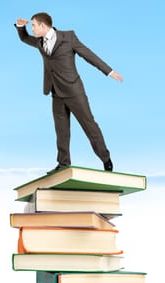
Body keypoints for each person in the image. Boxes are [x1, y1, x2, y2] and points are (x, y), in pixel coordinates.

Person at [15, 12, 123, 172]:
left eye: (34, 25)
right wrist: (20, 26)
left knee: (89, 125)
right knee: (61, 131)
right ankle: (64, 162)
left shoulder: (68, 37)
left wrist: (109, 71)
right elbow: (24, 38)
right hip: (55, 92)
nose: (32, 29)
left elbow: (89, 55)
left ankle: (106, 159)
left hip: (74, 91)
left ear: (43, 26)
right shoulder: (39, 41)